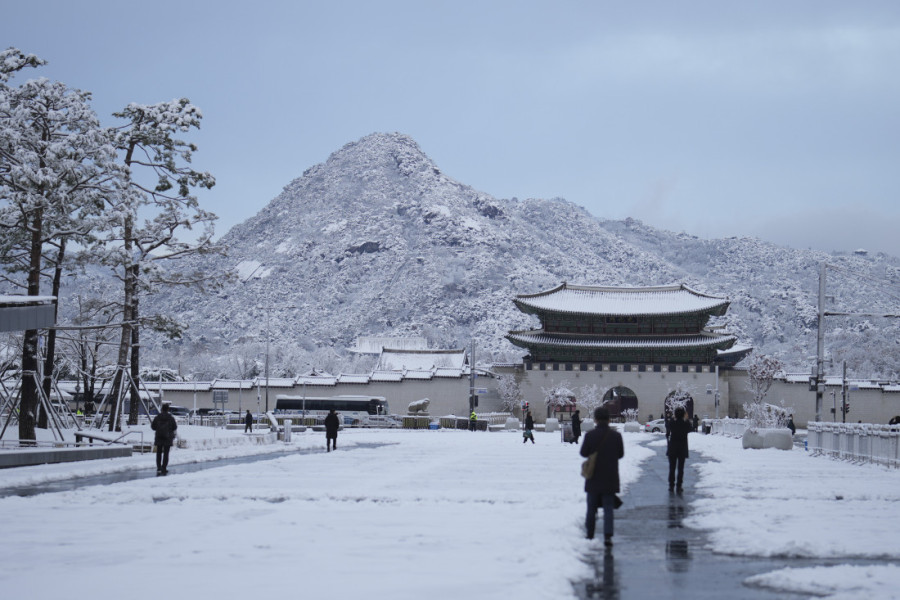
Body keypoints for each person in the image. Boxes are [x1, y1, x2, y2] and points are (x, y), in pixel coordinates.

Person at [580, 406, 624, 546]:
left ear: (596, 419)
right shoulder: (616, 436)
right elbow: (620, 454)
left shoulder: (590, 435)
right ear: (609, 419)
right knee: (608, 508)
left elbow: (583, 453)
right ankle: (608, 536)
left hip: (593, 477)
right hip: (610, 477)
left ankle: (590, 534)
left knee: (591, 507)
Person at [666, 406, 691, 493]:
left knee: (672, 468)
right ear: (684, 414)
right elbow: (690, 428)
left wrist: (674, 417)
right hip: (682, 449)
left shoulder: (672, 423)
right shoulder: (686, 424)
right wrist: (686, 418)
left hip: (672, 448)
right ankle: (679, 486)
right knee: (681, 469)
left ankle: (671, 485)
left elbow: (669, 426)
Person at [151, 402, 178, 476]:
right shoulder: (170, 418)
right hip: (168, 438)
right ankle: (164, 467)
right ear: (168, 409)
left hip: (159, 437)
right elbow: (175, 427)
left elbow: (153, 427)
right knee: (166, 453)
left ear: (162, 409)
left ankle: (159, 467)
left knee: (158, 453)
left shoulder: (157, 417)